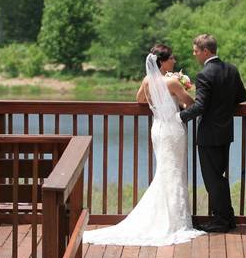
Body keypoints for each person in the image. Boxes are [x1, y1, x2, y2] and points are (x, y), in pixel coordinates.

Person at [82, 44, 203, 246]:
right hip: (173, 129)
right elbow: (190, 104)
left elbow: (139, 99)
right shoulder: (172, 82)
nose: (174, 60)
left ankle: (168, 218)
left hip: (158, 129)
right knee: (173, 172)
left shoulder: (148, 80)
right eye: (171, 58)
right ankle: (175, 222)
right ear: (163, 62)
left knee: (165, 172)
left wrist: (161, 99)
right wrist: (181, 93)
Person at [178, 34, 246, 233]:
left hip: (209, 134)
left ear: (206, 51)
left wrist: (178, 118)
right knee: (220, 177)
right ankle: (228, 218)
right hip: (225, 132)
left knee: (212, 179)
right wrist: (223, 106)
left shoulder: (204, 75)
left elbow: (200, 106)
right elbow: (242, 96)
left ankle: (221, 221)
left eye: (196, 51)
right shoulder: (232, 70)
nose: (194, 54)